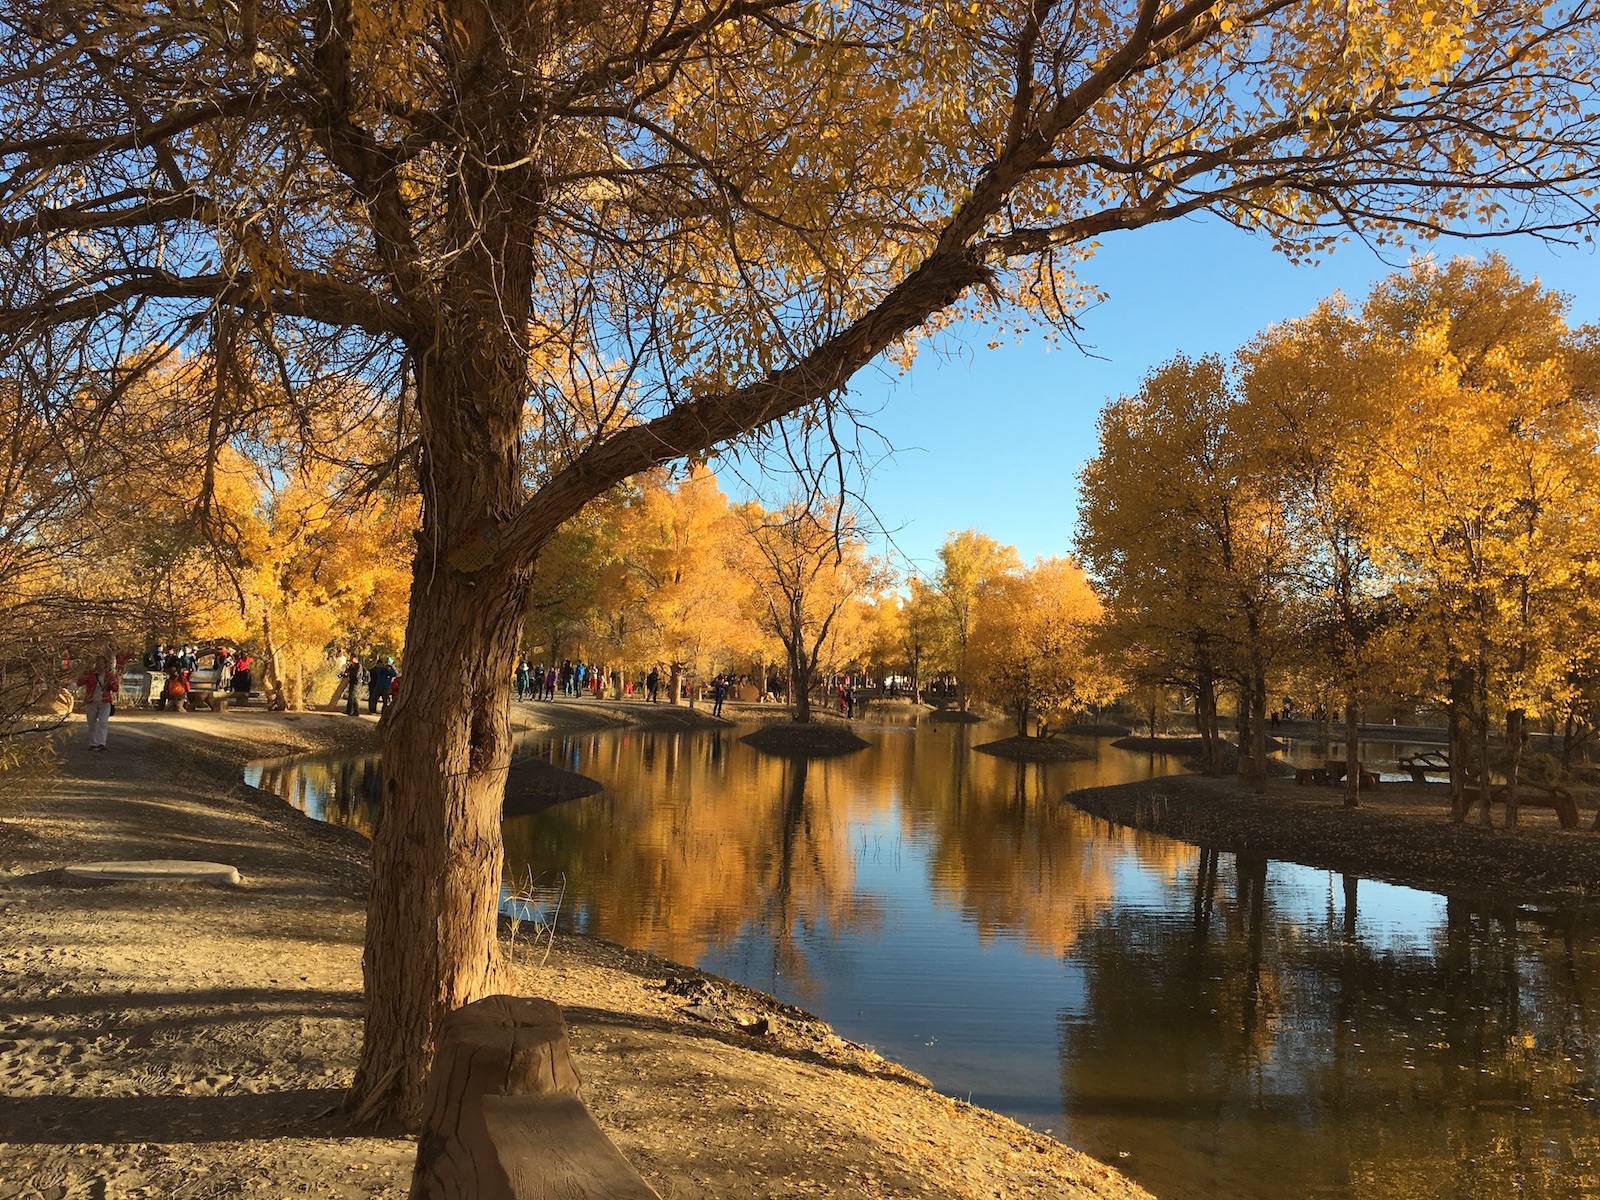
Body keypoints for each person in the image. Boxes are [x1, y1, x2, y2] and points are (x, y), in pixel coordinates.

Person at [76, 654, 119, 750]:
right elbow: (79, 682)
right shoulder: (90, 674)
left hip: (105, 702)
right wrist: (84, 672)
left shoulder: (109, 676)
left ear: (105, 664)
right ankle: (93, 743)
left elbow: (116, 688)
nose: (99, 665)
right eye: (97, 662)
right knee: (91, 723)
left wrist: (110, 686)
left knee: (103, 722)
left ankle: (101, 743)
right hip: (92, 701)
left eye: (101, 663)